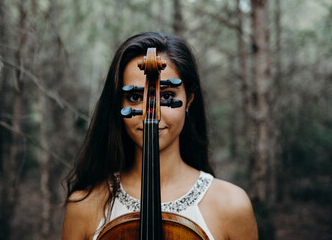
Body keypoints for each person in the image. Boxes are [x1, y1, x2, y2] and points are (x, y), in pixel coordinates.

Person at [62, 32, 258, 240]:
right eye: (135, 97)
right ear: (119, 105)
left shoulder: (232, 206)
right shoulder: (84, 206)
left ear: (189, 100)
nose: (150, 113)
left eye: (166, 96)